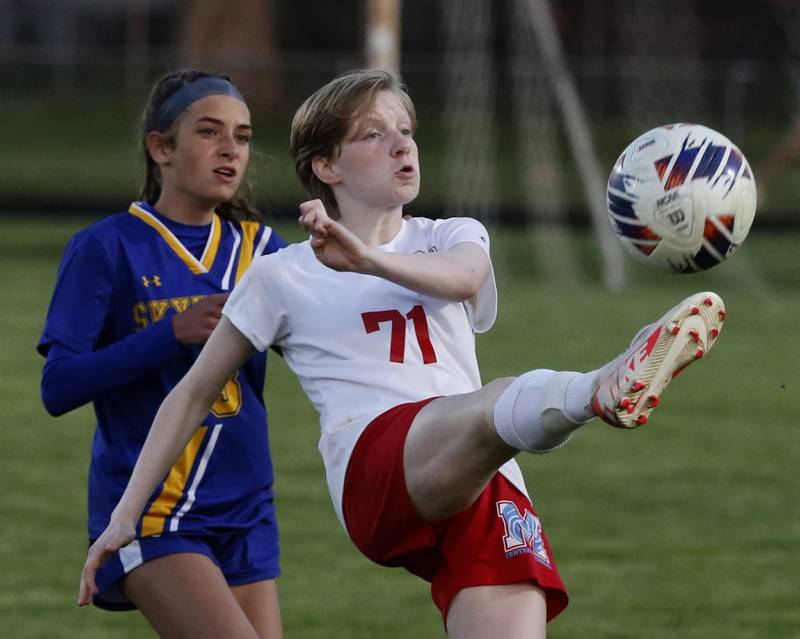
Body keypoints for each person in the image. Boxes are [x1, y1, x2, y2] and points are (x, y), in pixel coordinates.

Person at [78, 69, 726, 638]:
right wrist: (122, 518)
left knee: (487, 419)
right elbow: (191, 394)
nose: (402, 145)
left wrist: (366, 258)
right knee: (493, 401)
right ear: (326, 167)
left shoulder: (451, 234)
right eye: (373, 134)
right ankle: (602, 389)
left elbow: (465, 279)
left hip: (482, 477)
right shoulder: (283, 274)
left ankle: (593, 392)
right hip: (375, 468)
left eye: (407, 130)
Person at [39, 70, 287, 638]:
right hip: (154, 512)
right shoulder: (106, 247)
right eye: (209, 131)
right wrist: (168, 333)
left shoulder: (264, 249)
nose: (230, 149)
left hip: (248, 509)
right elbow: (58, 387)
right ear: (161, 148)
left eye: (243, 136)